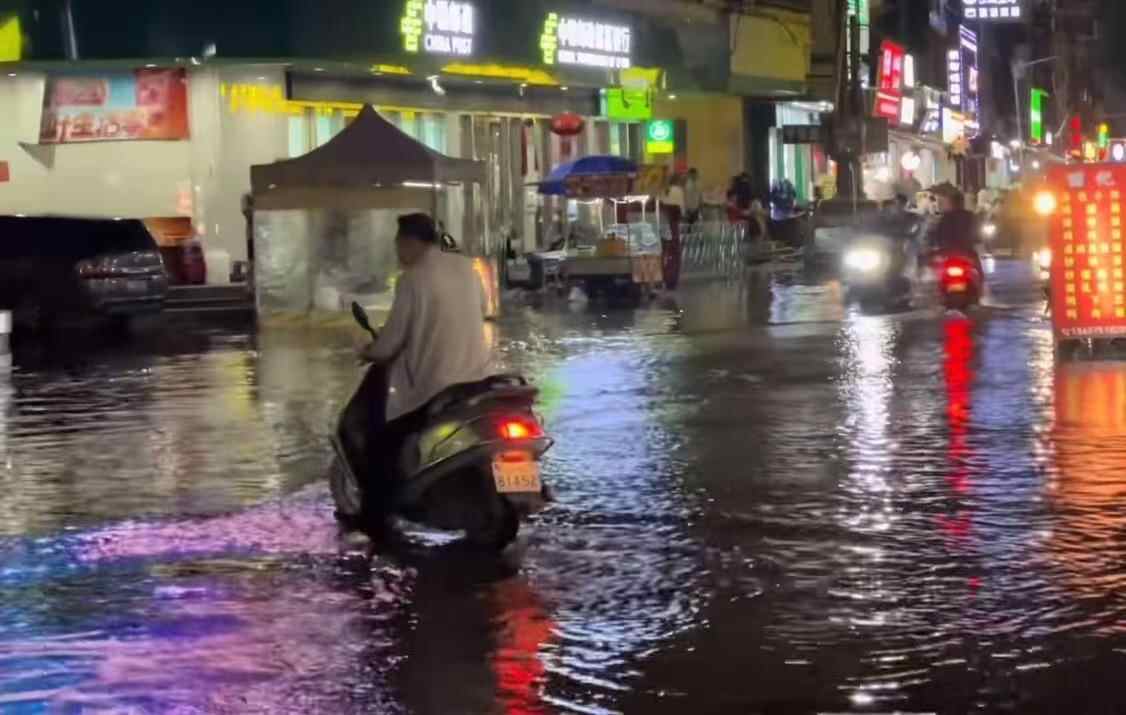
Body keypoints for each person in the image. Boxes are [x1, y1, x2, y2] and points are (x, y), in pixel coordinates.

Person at [359, 213, 493, 518]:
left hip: (437, 386)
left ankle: (377, 518)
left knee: (383, 438)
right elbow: (483, 309)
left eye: (399, 247)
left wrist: (370, 352)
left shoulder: (413, 279)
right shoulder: (466, 268)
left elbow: (390, 342)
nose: (398, 254)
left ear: (408, 243)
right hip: (479, 381)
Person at [928, 183, 983, 273]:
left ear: (951, 203)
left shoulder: (946, 217)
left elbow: (938, 235)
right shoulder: (970, 216)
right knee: (978, 271)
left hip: (948, 251)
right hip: (966, 251)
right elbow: (977, 234)